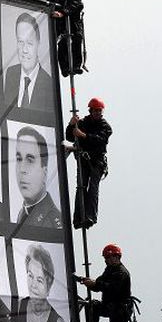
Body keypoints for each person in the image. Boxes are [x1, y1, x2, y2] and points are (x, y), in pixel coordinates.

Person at [66, 97, 112, 229]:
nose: (98, 113)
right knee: (81, 187)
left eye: (99, 111)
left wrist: (83, 135)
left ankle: (90, 217)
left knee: (92, 188)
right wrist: (71, 124)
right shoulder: (83, 122)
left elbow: (100, 140)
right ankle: (78, 219)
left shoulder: (105, 126)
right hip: (84, 161)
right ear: (90, 111)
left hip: (96, 162)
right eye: (95, 110)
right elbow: (70, 136)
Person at [13, 244, 71, 322]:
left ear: (48, 286)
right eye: (30, 276)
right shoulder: (16, 309)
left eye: (39, 280)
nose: (33, 285)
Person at [3, 13, 54, 114]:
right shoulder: (10, 74)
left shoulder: (49, 84)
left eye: (29, 43)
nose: (24, 50)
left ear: (38, 44)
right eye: (20, 42)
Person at [14, 126, 62, 229]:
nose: (22, 169)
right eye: (19, 159)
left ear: (44, 172)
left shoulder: (53, 222)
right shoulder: (22, 213)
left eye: (30, 160)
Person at [45, 0, 84, 77]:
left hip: (73, 17)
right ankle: (65, 68)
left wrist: (63, 12)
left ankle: (76, 65)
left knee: (77, 38)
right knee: (62, 41)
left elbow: (75, 4)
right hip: (59, 18)